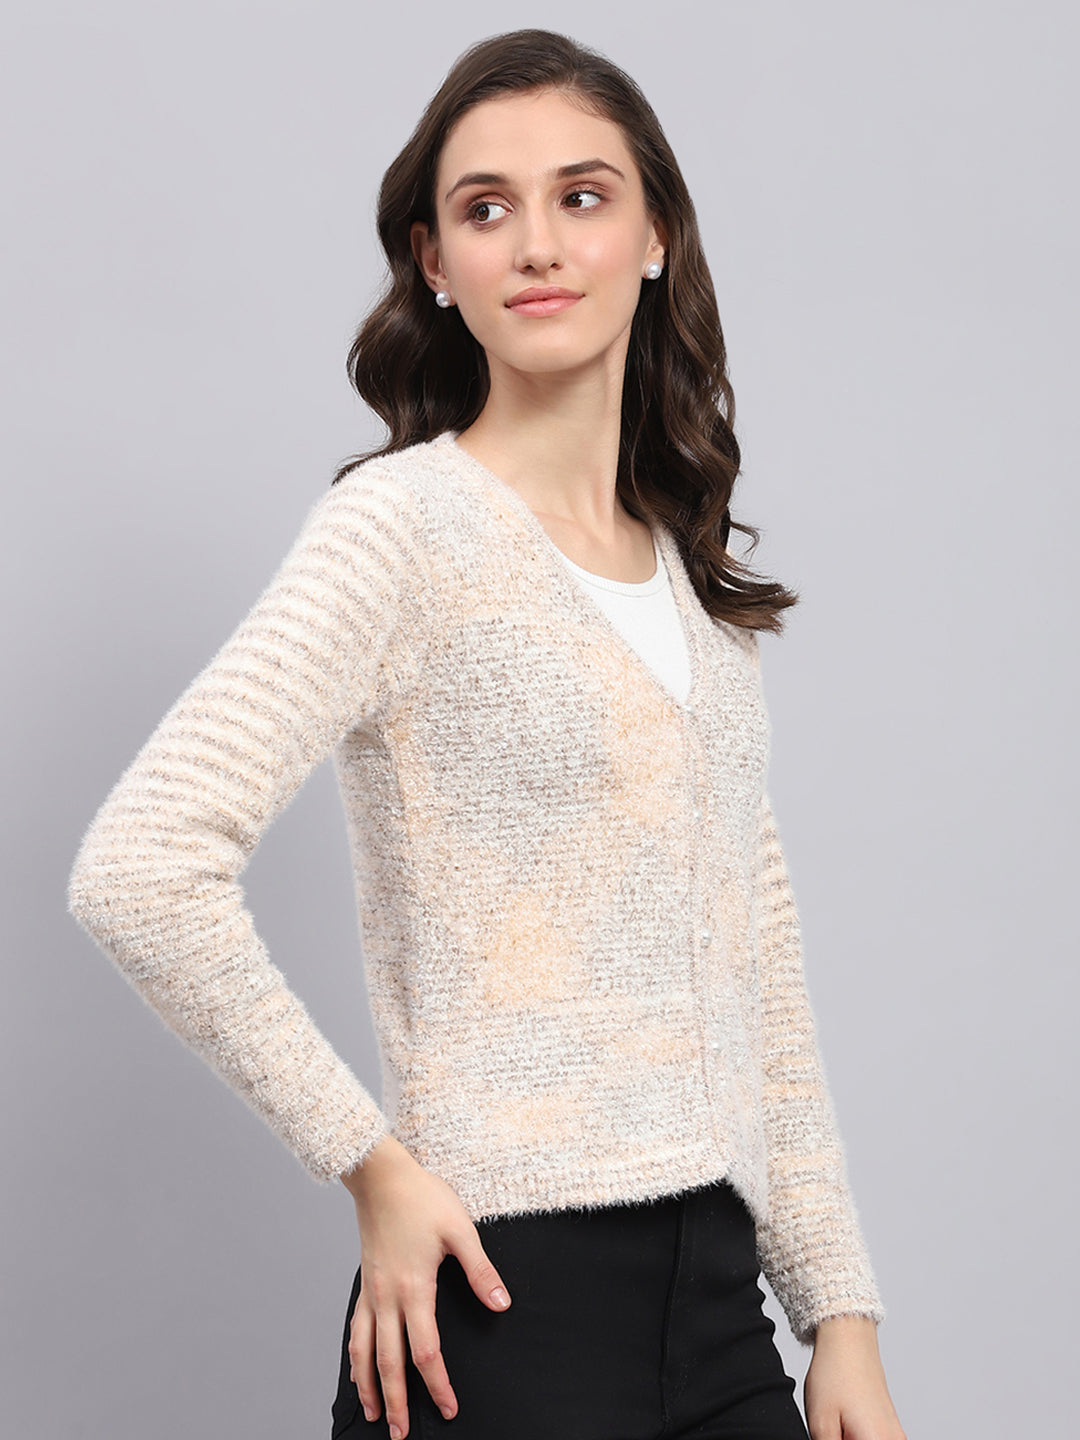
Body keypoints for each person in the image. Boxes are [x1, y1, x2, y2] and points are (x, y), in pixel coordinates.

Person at [68, 27, 906, 1440]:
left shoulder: (694, 592)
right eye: (485, 208)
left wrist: (840, 1314)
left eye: (582, 196)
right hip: (500, 1310)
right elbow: (140, 868)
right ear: (436, 264)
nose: (538, 244)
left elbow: (759, 976)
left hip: (720, 1321)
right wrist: (370, 1163)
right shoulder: (402, 531)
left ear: (655, 235)